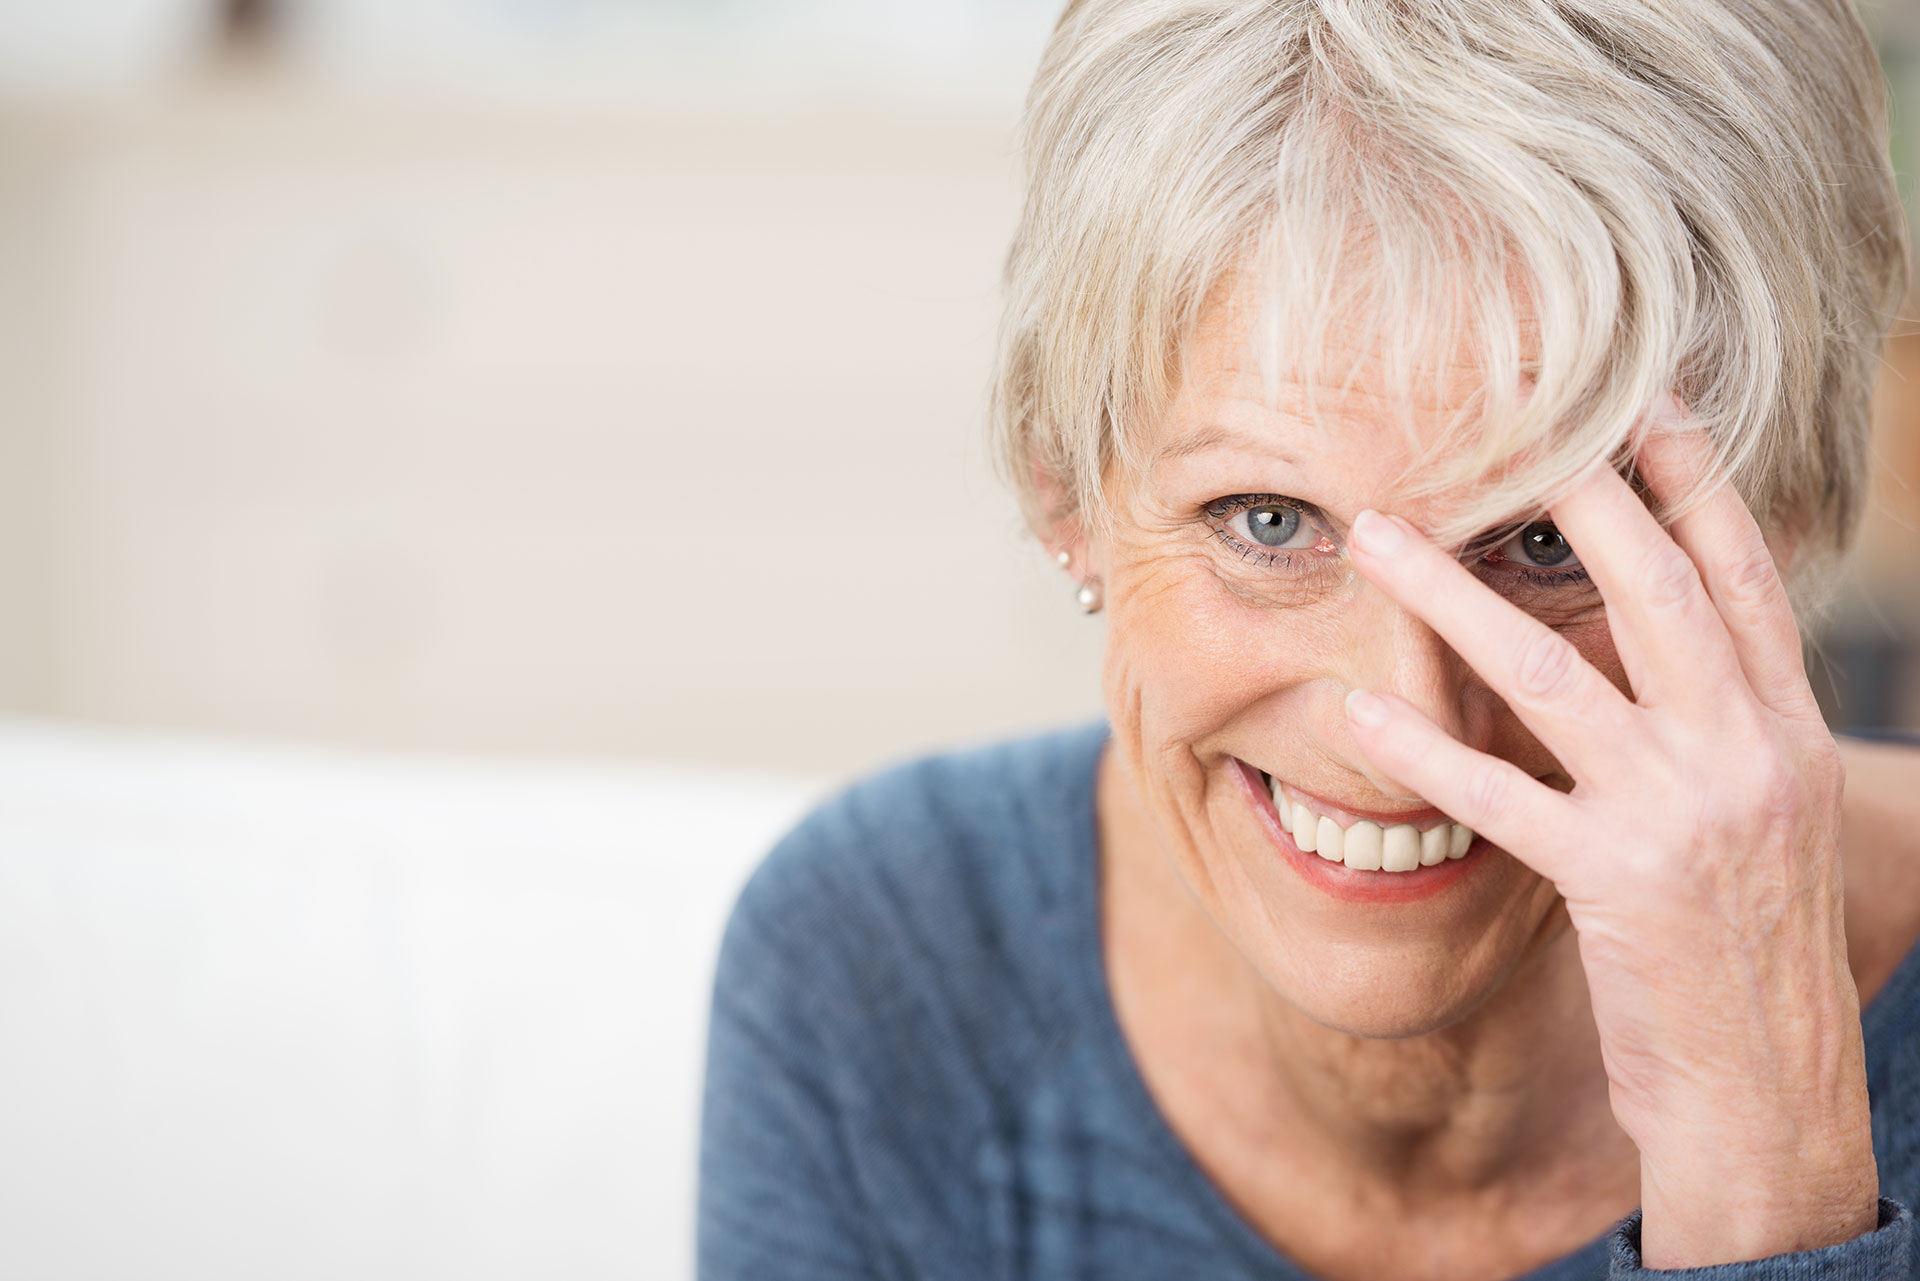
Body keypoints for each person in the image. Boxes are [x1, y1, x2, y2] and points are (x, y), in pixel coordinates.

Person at [698, 1, 1920, 1276]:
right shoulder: (883, 956)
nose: (1407, 737)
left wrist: (1774, 1175)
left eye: (1548, 542)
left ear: (1775, 524)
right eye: (1268, 520)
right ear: (1065, 492)